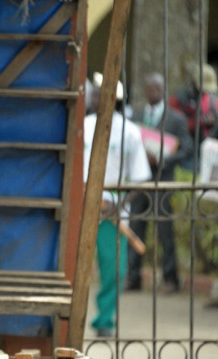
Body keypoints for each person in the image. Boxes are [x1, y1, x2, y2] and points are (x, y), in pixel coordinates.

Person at [83, 75, 152, 337]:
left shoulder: (130, 131)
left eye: (99, 93)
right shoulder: (82, 126)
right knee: (72, 267)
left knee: (114, 269)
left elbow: (140, 178)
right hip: (81, 206)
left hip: (113, 212)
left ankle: (103, 320)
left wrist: (118, 204)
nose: (93, 97)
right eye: (93, 93)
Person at [127, 73, 193, 293]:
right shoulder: (136, 116)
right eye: (149, 87)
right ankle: (133, 277)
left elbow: (187, 148)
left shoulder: (176, 118)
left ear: (163, 90)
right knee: (135, 227)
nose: (153, 91)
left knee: (165, 230)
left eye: (157, 88)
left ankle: (170, 278)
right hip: (140, 181)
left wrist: (163, 160)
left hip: (163, 180)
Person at [169, 64, 218, 171]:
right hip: (184, 153)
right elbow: (172, 126)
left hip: (204, 150)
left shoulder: (210, 99)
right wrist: (199, 122)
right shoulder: (178, 99)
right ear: (194, 82)